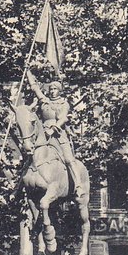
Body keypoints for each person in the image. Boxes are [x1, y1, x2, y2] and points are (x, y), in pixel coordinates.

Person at [26, 69, 84, 198]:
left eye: (55, 89)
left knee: (69, 159)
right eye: (51, 89)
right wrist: (28, 72)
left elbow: (63, 118)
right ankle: (18, 188)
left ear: (59, 90)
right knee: (30, 156)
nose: (52, 91)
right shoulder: (45, 101)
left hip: (58, 134)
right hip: (42, 134)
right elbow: (35, 88)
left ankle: (79, 185)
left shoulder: (64, 103)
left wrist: (54, 127)